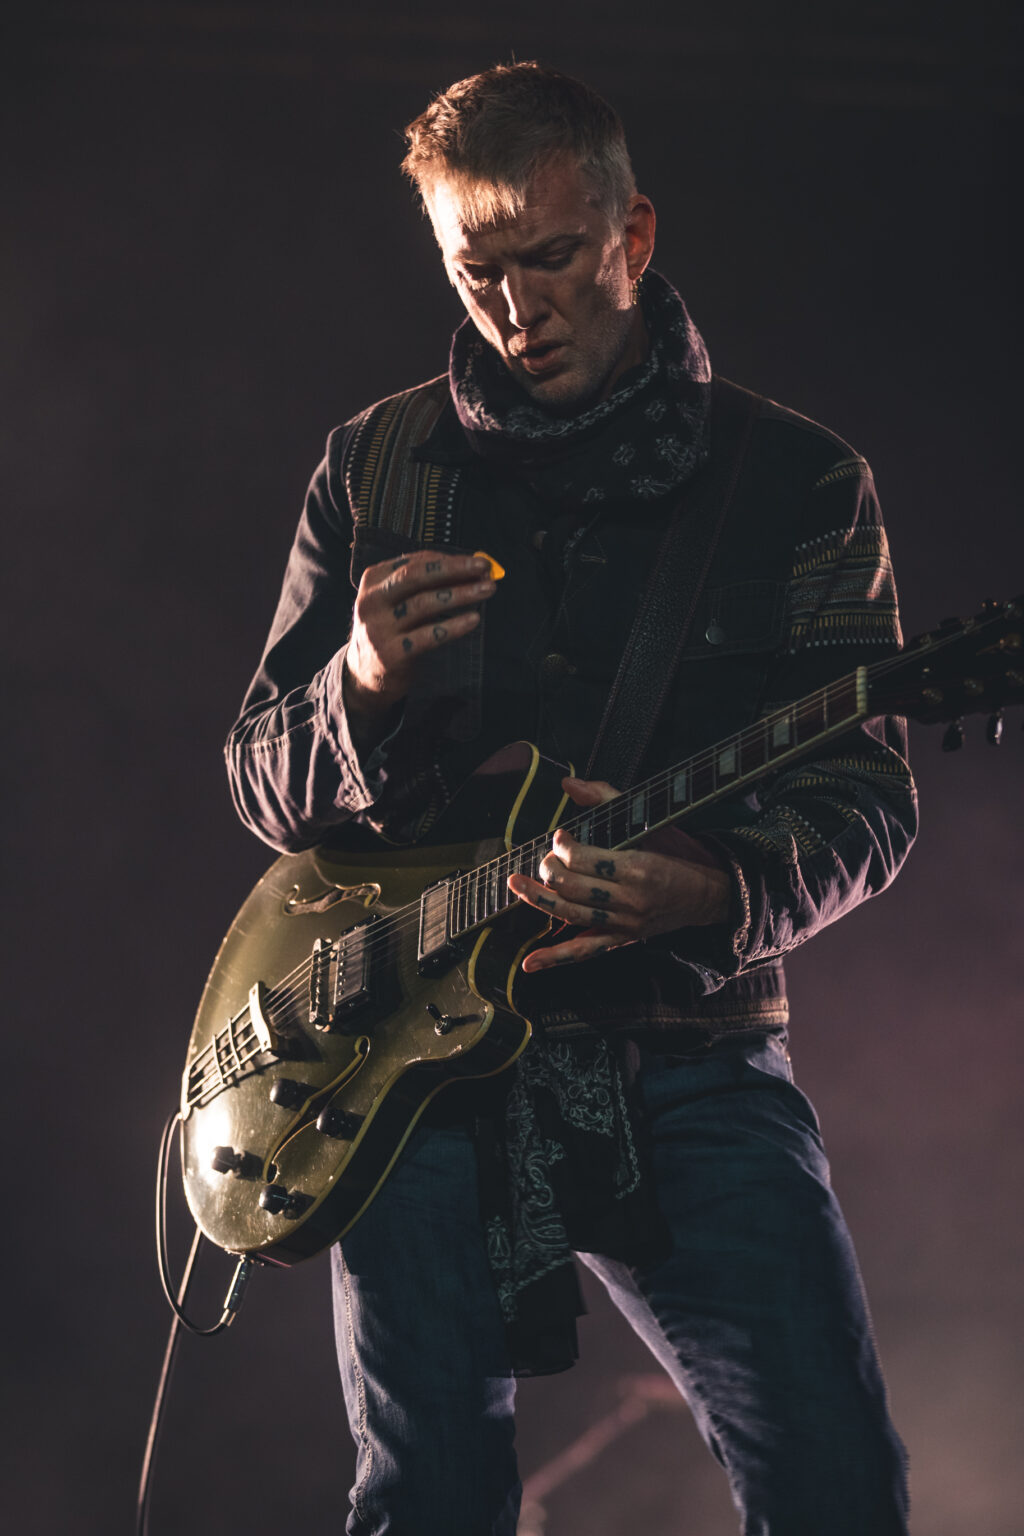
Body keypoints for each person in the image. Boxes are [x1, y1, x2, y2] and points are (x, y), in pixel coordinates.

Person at [226, 63, 916, 1536]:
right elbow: (260, 782)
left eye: (551, 259)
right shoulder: (375, 465)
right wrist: (355, 685)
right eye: (479, 269)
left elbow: (869, 798)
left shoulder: (793, 482)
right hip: (416, 1075)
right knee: (427, 1499)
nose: (517, 308)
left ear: (635, 234)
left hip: (689, 1049)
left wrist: (712, 888)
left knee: (839, 1487)